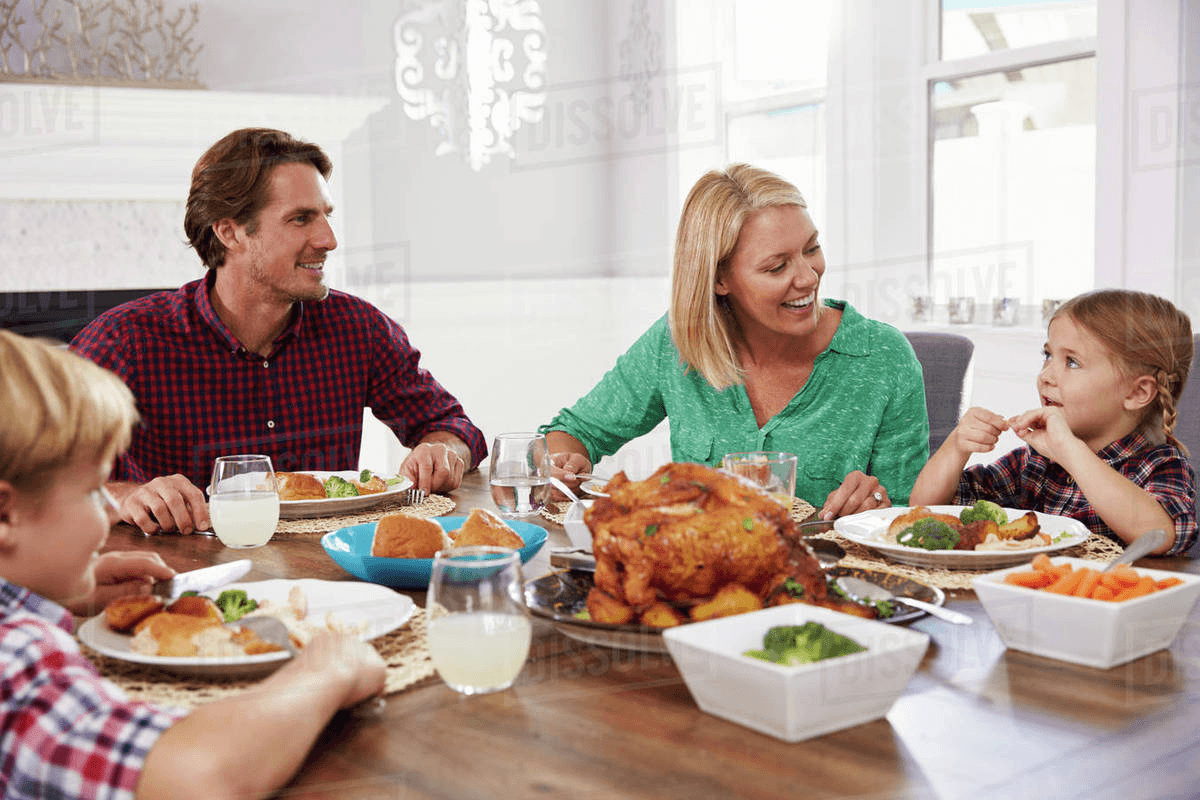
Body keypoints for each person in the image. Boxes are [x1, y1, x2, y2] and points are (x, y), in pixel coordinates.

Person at [0, 329, 386, 799]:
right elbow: (200, 777)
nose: (107, 508)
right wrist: (330, 667)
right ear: (5, 515)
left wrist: (60, 594)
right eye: (91, 491)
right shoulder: (16, 658)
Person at [72, 128, 487, 535]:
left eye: (326, 216)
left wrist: (443, 450)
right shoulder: (124, 342)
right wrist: (124, 497)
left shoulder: (358, 329)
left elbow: (452, 425)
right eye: (301, 219)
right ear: (229, 231)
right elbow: (27, 479)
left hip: (331, 576)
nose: (329, 239)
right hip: (188, 585)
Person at [542, 164, 930, 519]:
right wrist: (563, 463)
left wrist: (876, 505)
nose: (809, 277)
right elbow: (575, 432)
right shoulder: (679, 341)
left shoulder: (883, 358)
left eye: (811, 249)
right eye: (777, 266)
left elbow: (910, 514)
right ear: (718, 280)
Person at [910, 289, 1197, 555]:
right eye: (1048, 355)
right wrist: (956, 447)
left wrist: (1070, 452)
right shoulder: (1035, 462)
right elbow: (926, 508)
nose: (1046, 375)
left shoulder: (1161, 463)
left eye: (1072, 362)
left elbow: (1161, 534)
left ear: (1137, 393)